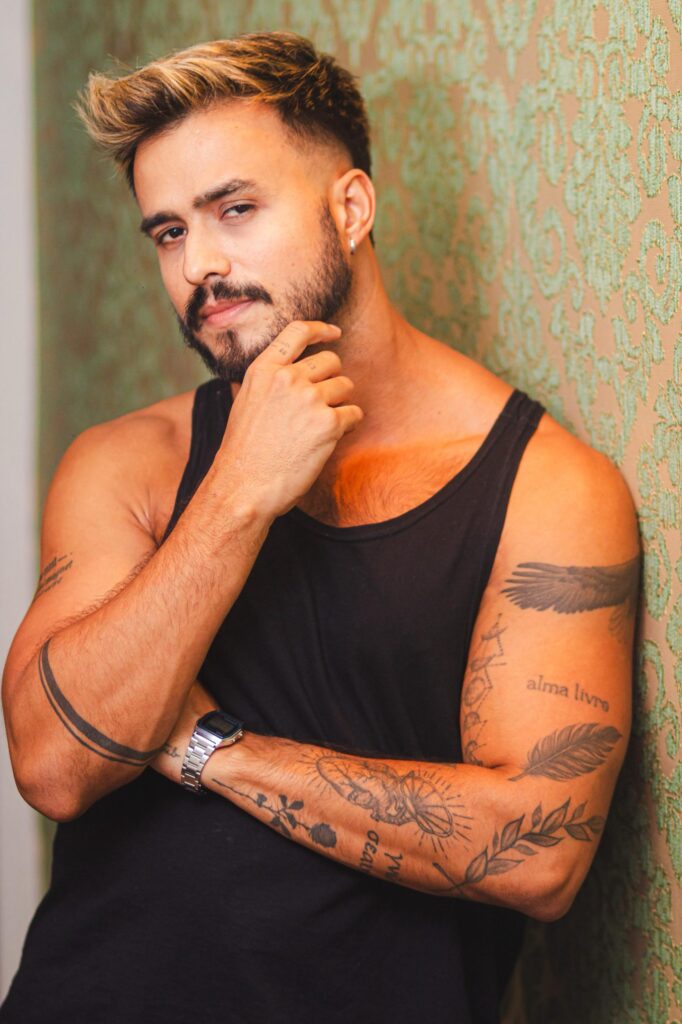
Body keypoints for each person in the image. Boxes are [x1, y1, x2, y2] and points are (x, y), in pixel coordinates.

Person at [1, 31, 639, 1024]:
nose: (199, 266)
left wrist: (215, 751)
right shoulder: (131, 462)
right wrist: (238, 492)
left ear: (350, 208)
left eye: (236, 210)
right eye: (167, 232)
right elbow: (53, 764)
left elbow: (539, 855)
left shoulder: (546, 488)